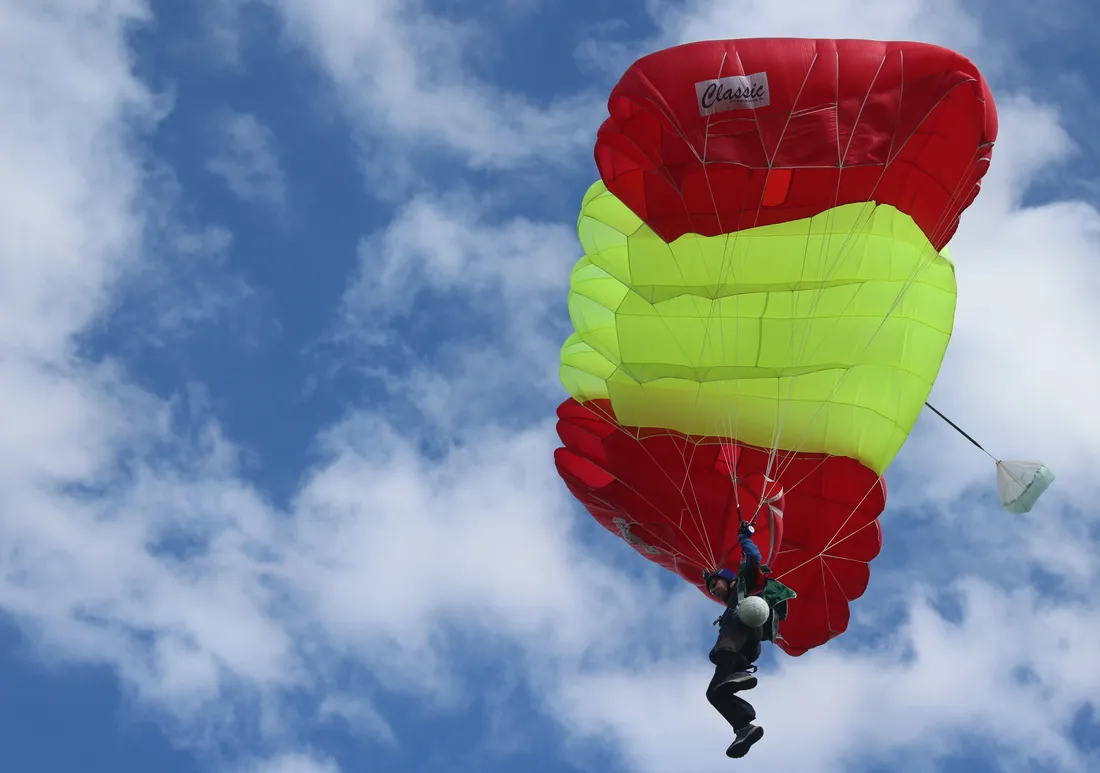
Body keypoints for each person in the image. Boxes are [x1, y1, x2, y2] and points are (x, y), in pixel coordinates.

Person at [703, 521, 796, 759]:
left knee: (721, 648)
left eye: (715, 583)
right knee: (714, 693)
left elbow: (754, 558)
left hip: (745, 627)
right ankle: (744, 727)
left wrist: (745, 538)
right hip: (745, 651)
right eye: (710, 587)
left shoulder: (742, 583)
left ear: (728, 579)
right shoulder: (728, 607)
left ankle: (736, 675)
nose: (713, 589)